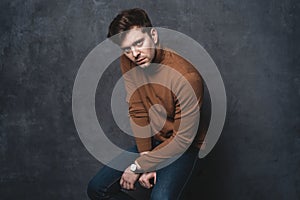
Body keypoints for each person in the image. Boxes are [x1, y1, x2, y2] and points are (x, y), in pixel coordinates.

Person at [87, 8, 206, 200]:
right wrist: (146, 158)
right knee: (97, 189)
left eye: (139, 43)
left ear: (153, 34)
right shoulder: (129, 62)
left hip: (186, 146)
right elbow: (138, 110)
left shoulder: (186, 77)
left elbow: (183, 139)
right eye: (127, 49)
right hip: (155, 140)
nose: (134, 53)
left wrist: (139, 166)